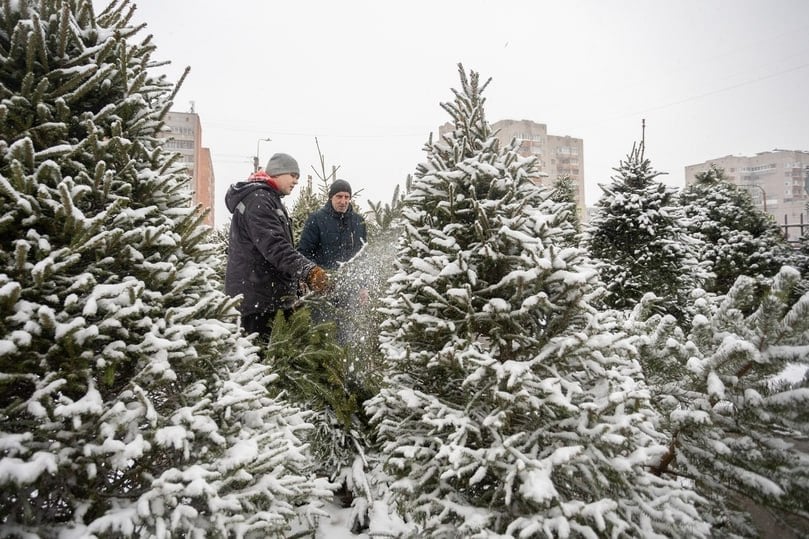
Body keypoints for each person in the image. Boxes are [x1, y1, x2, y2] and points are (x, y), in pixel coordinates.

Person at [224, 153, 330, 339]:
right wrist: (308, 271)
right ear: (277, 173)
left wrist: (296, 286)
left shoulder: (269, 199)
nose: (296, 181)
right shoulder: (259, 200)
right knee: (261, 361)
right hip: (258, 301)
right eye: (293, 175)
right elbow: (275, 247)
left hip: (268, 298)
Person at [298, 179, 368, 340]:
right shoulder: (316, 219)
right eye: (339, 196)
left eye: (346, 197)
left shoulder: (358, 222)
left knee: (345, 334)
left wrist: (363, 287)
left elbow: (362, 255)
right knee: (322, 333)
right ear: (331, 197)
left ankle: (342, 363)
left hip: (349, 288)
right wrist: (313, 277)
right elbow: (304, 252)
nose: (343, 201)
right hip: (323, 287)